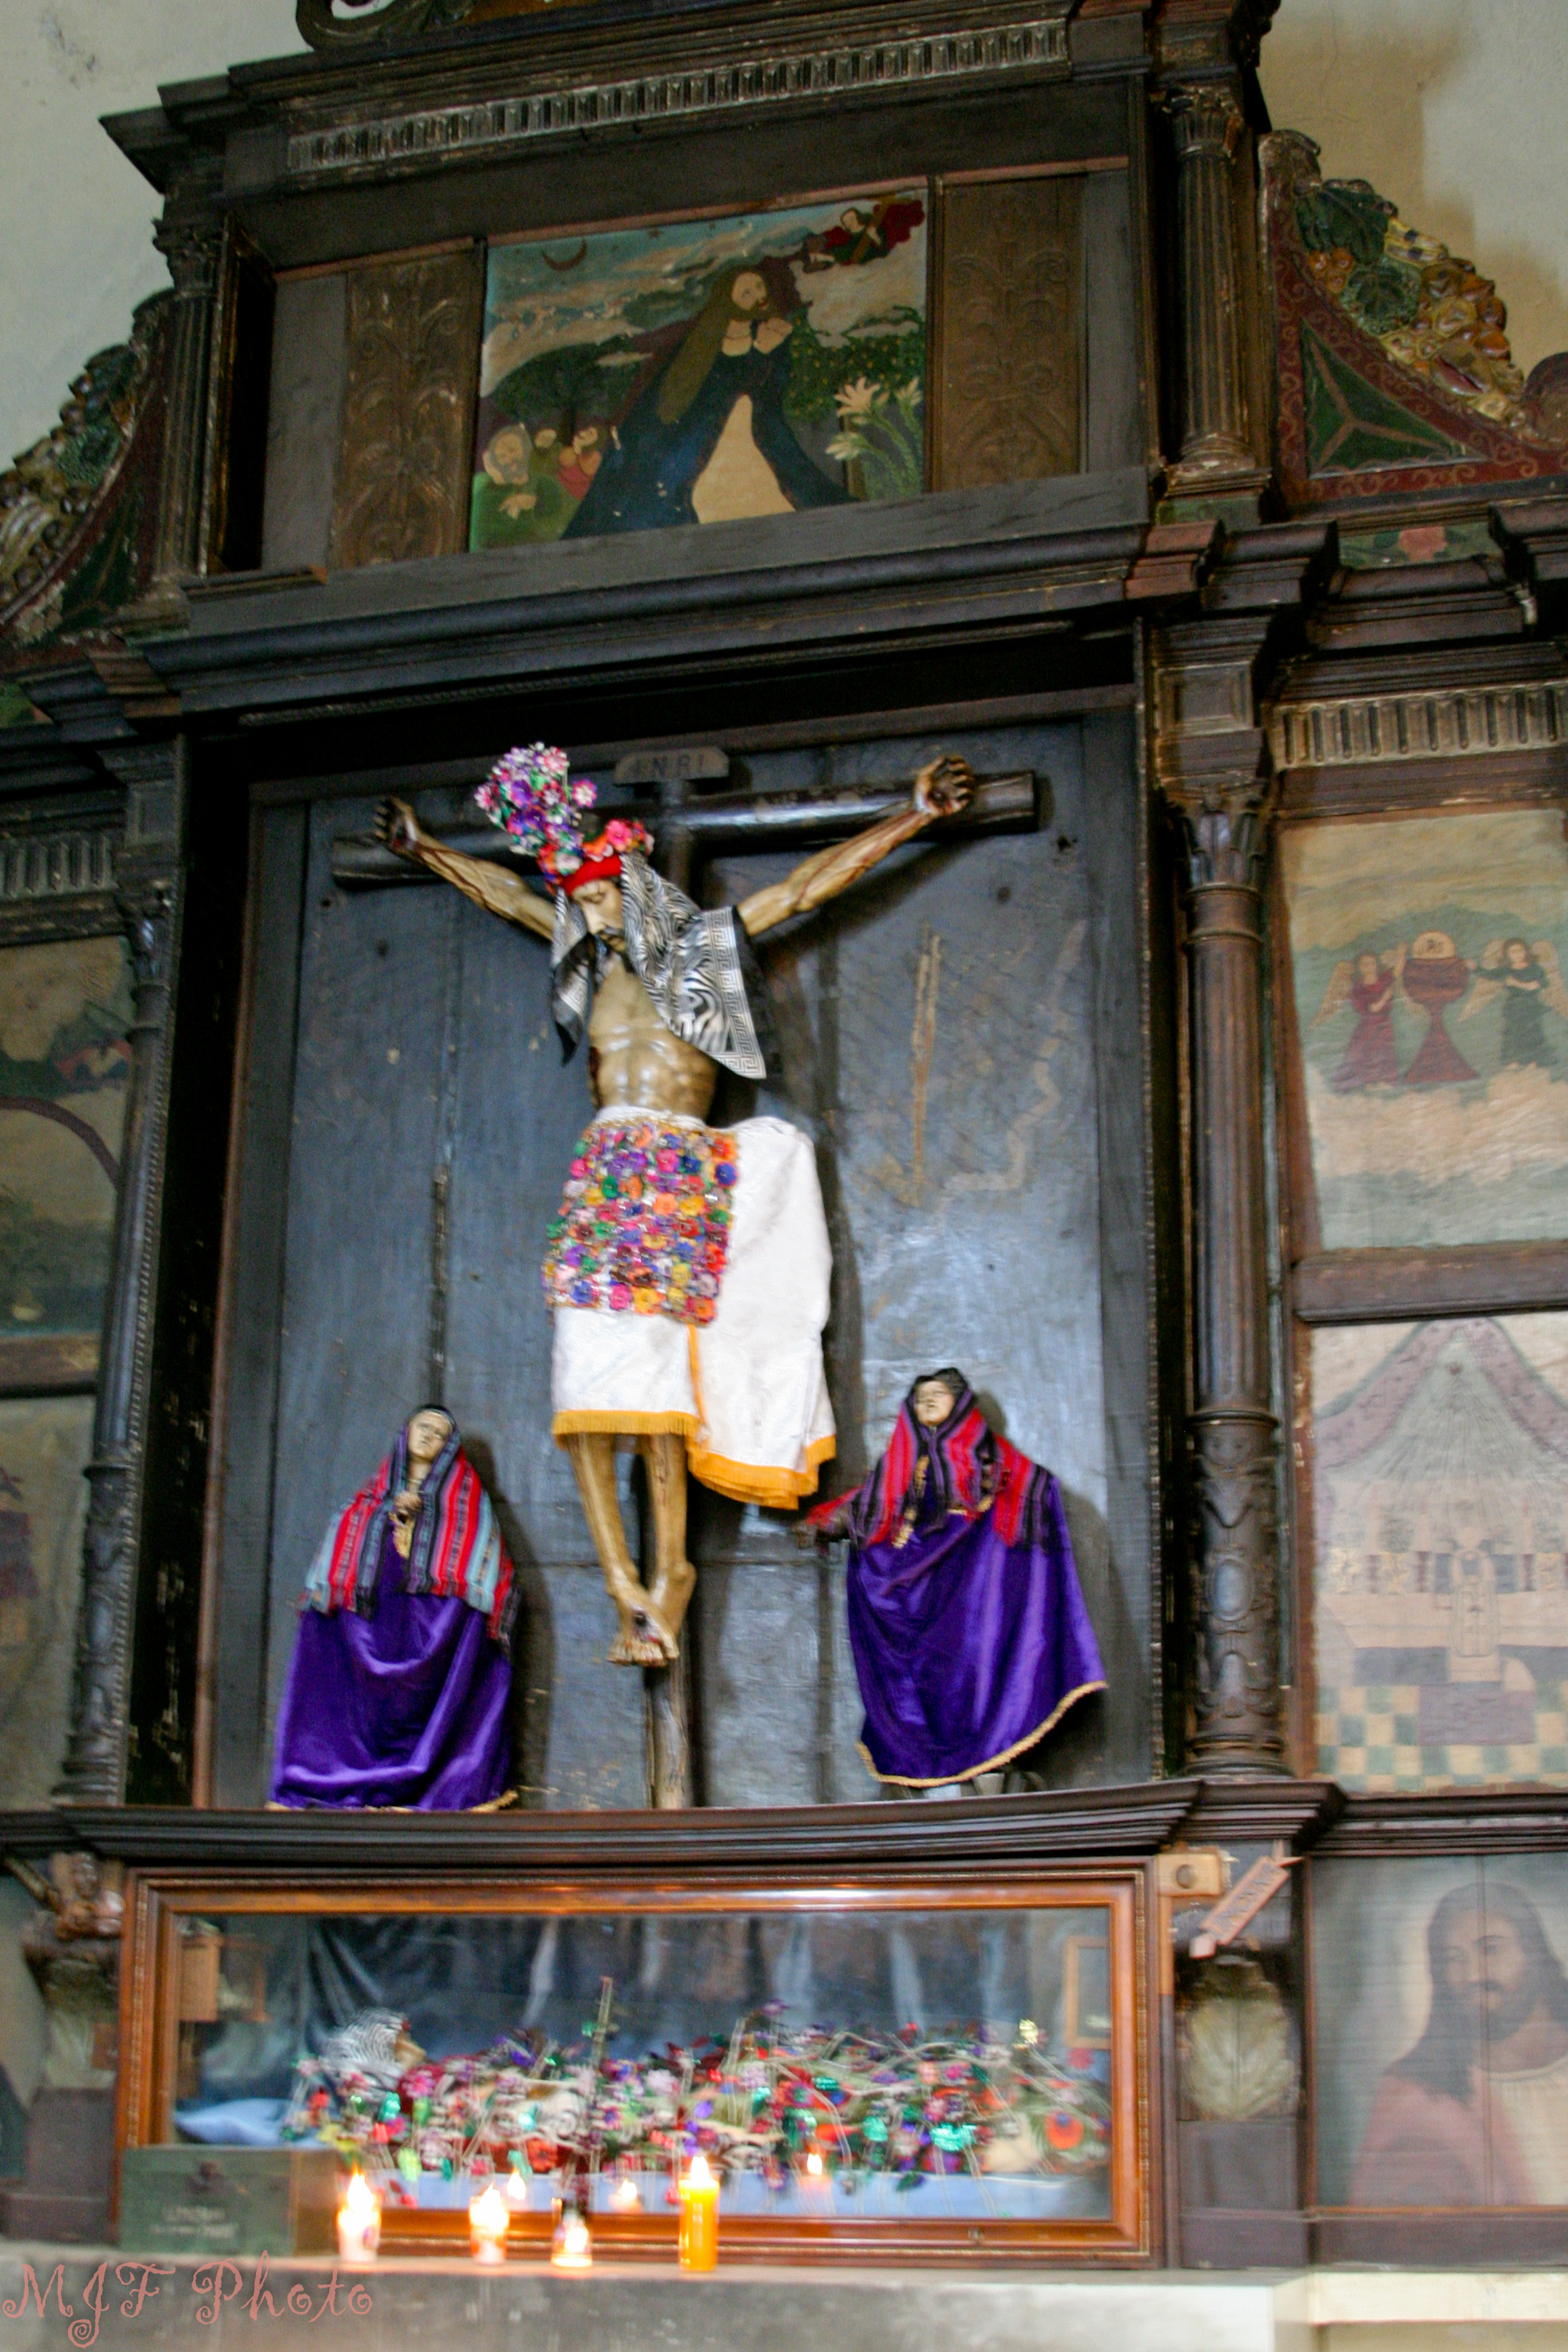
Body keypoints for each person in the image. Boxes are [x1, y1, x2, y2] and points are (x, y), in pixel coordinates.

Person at [378, 745, 975, 1668]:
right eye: (579, 901)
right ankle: (620, 1582)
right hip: (604, 1171)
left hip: (678, 1169)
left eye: (599, 897)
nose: (588, 914)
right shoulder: (587, 963)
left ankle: (671, 1575)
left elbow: (805, 889)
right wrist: (425, 850)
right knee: (582, 1383)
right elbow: (505, 897)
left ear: (635, 886)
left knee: (661, 1395)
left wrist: (914, 815)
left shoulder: (702, 954)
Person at [803, 1368, 1104, 1786]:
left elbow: (1027, 1483)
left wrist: (1028, 1496)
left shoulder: (985, 1455)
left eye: (938, 1394)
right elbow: (870, 1506)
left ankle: (988, 1760)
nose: (927, 1401)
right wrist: (832, 1522)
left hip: (968, 1585)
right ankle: (923, 1768)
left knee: (972, 1671)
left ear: (960, 1403)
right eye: (920, 1396)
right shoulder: (899, 1462)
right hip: (908, 1589)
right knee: (913, 1669)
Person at [270, 1406, 517, 1810]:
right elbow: (334, 1570)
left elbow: (483, 1574)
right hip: (365, 1639)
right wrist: (386, 1520)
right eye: (423, 1427)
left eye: (439, 1433)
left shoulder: (469, 1511)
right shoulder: (364, 1506)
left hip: (436, 1645)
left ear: (449, 1448)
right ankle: (330, 1773)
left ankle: (436, 1778)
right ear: (406, 1434)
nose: (428, 1436)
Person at [563, 263, 847, 536]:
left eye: (759, 287)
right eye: (746, 292)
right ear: (727, 299)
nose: (758, 296)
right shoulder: (703, 340)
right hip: (700, 431)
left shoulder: (773, 332)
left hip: (752, 431)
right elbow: (676, 391)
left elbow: (773, 391)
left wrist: (764, 352)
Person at [1351, 1882, 1568, 2204]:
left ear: (1533, 1952)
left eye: (1490, 1949)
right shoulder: (1415, 2097)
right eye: (1454, 1959)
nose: (1472, 1975)